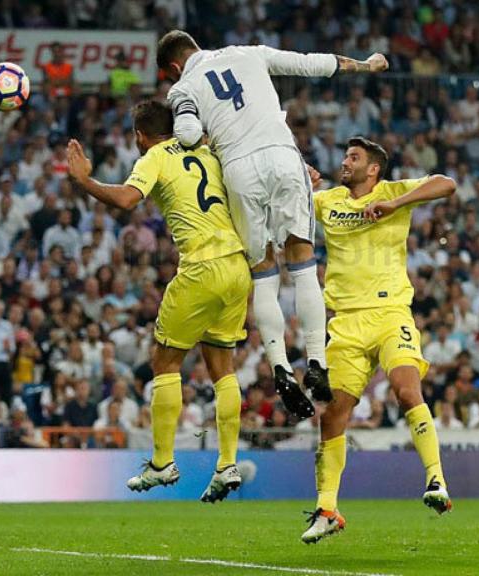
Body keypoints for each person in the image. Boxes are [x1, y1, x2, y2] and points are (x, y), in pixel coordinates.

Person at [155, 30, 388, 418]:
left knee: (263, 272)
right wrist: (366, 64)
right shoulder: (249, 52)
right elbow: (311, 63)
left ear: (175, 67)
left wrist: (205, 126)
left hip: (239, 169)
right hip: (282, 157)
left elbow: (189, 133)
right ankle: (317, 363)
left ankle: (281, 369)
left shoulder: (184, 88)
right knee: (303, 265)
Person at [67, 100, 249, 502]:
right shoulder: (206, 151)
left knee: (165, 362)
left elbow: (127, 200)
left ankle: (163, 462)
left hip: (201, 266)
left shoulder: (154, 156)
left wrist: (84, 182)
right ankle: (227, 463)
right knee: (222, 364)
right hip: (238, 268)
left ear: (139, 136)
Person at [302, 137, 456, 544]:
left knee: (407, 391)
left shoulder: (392, 192)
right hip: (346, 322)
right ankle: (327, 508)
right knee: (333, 414)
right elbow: (288, 204)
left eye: (354, 157)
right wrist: (300, 181)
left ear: (374, 169)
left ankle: (436, 480)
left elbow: (446, 183)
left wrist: (396, 204)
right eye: (345, 156)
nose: (345, 162)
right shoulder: (328, 200)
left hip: (390, 315)